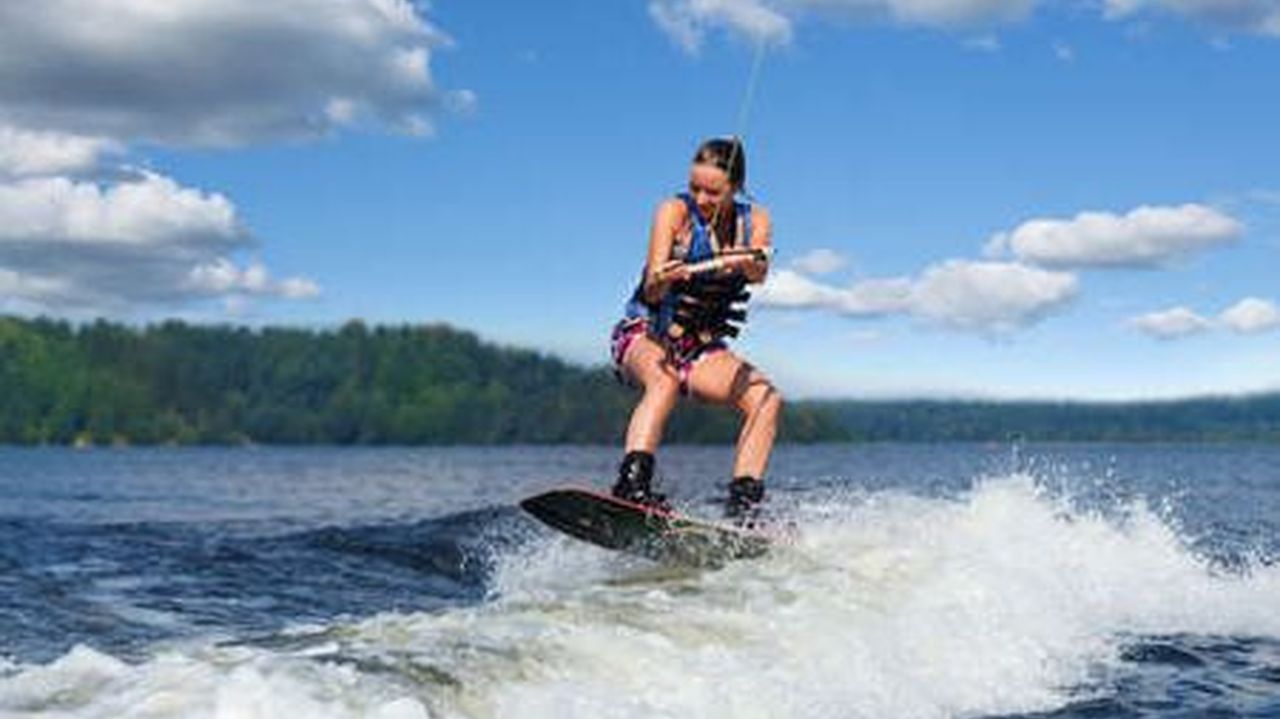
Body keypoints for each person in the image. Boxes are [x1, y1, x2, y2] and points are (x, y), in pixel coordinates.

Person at [609, 137, 781, 524]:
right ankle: (632, 485)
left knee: (766, 399)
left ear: (735, 188)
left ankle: (742, 509)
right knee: (664, 381)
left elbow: (759, 273)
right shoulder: (674, 211)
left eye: (713, 192)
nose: (702, 198)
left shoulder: (756, 220)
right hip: (645, 334)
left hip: (700, 350)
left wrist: (744, 259)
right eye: (695, 188)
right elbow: (652, 287)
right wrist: (666, 276)